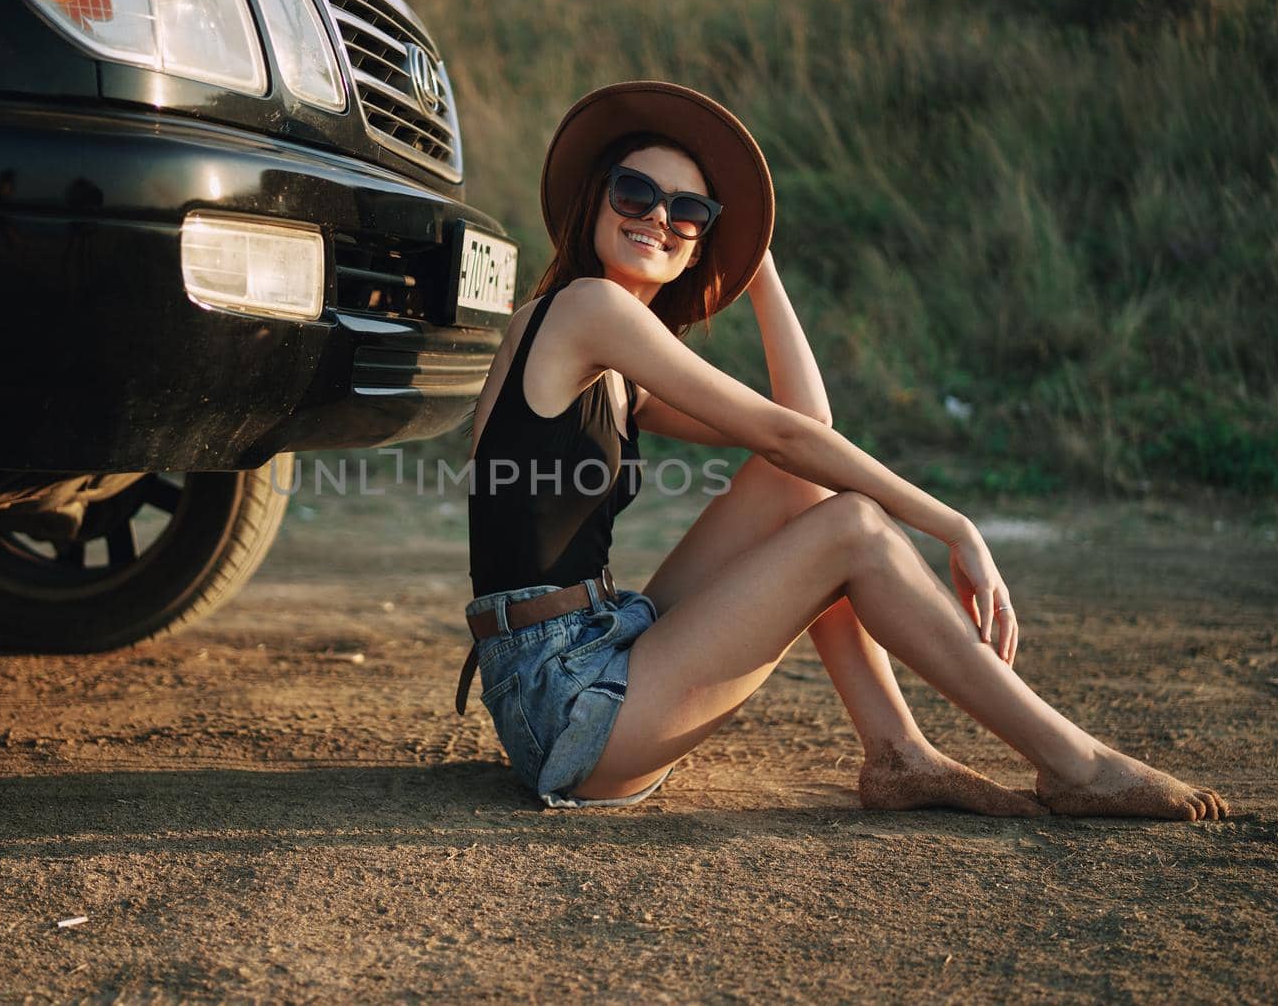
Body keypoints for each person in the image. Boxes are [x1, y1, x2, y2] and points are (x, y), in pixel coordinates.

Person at [459, 81, 1228, 820]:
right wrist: (953, 523)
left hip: (596, 647)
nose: (659, 217)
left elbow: (806, 428)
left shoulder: (616, 360)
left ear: (699, 245)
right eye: (636, 193)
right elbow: (790, 432)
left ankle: (897, 751)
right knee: (851, 527)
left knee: (806, 491)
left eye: (689, 212)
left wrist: (757, 265)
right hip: (563, 701)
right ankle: (1076, 764)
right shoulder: (585, 310)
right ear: (596, 199)